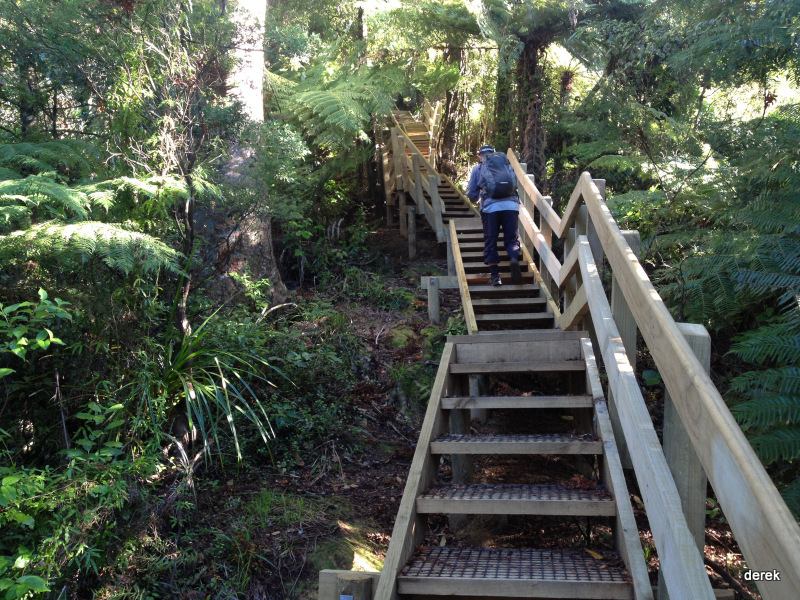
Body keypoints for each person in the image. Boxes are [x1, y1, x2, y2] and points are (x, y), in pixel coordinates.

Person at [465, 145, 522, 286]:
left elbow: (471, 192)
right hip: (511, 206)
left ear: (480, 156)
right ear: (493, 154)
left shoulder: (478, 169)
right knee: (512, 238)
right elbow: (514, 185)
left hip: (490, 208)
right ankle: (514, 259)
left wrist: (475, 200)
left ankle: (496, 277)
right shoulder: (507, 166)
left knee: (491, 240)